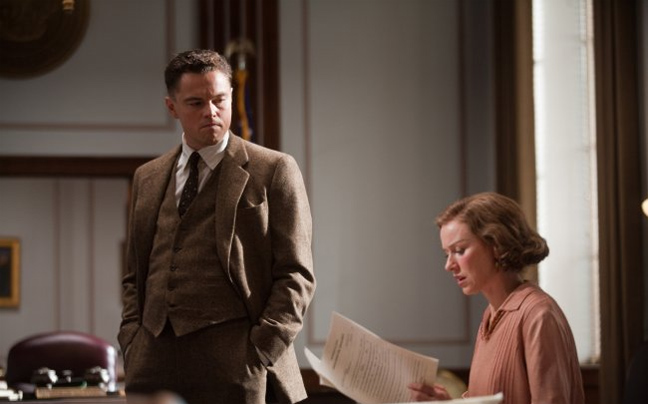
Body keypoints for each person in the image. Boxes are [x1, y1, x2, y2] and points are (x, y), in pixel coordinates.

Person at [118, 49, 315, 404]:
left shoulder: (274, 169)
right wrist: (131, 340)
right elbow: (134, 274)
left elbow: (297, 274)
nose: (210, 112)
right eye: (196, 103)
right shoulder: (147, 177)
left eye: (219, 100)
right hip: (152, 362)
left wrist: (262, 350)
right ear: (172, 107)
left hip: (238, 365)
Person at [408, 192, 584, 404]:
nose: (449, 265)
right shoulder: (490, 316)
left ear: (497, 245)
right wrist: (446, 402)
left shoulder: (538, 315)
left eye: (459, 250)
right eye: (447, 254)